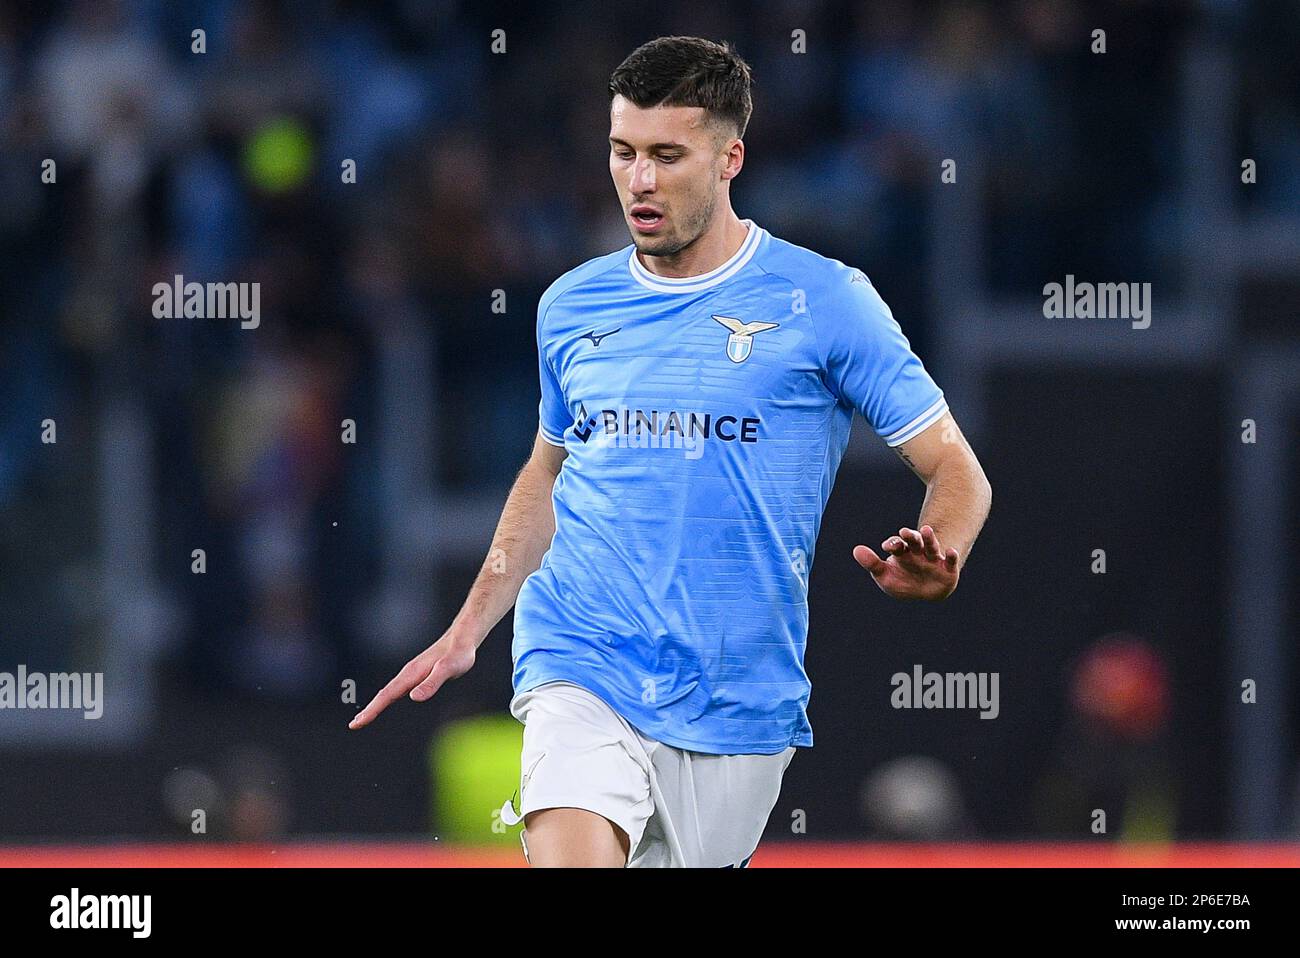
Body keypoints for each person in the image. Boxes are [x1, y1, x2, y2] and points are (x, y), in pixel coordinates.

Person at [349, 35, 992, 868]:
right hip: (581, 657)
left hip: (738, 697)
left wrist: (944, 549)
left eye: (666, 155)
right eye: (623, 152)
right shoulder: (571, 305)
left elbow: (957, 471)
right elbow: (550, 471)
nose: (639, 181)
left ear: (730, 158)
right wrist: (472, 625)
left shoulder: (828, 302)